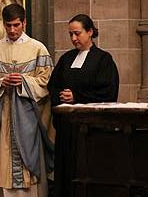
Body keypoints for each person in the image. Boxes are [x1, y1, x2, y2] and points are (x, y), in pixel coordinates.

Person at [0, 4, 54, 197]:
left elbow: (47, 81)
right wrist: (0, 83)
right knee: (2, 164)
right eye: (8, 25)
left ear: (24, 23)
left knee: (29, 169)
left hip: (28, 121)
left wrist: (24, 82)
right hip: (1, 120)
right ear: (3, 24)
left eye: (16, 25)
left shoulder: (38, 49)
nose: (12, 30)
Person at [48, 14, 119, 197]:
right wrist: (60, 95)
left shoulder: (103, 60)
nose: (73, 38)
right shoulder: (66, 59)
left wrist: (77, 97)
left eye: (77, 33)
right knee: (65, 175)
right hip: (66, 130)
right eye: (70, 34)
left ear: (90, 32)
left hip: (89, 131)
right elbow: (52, 86)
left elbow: (107, 92)